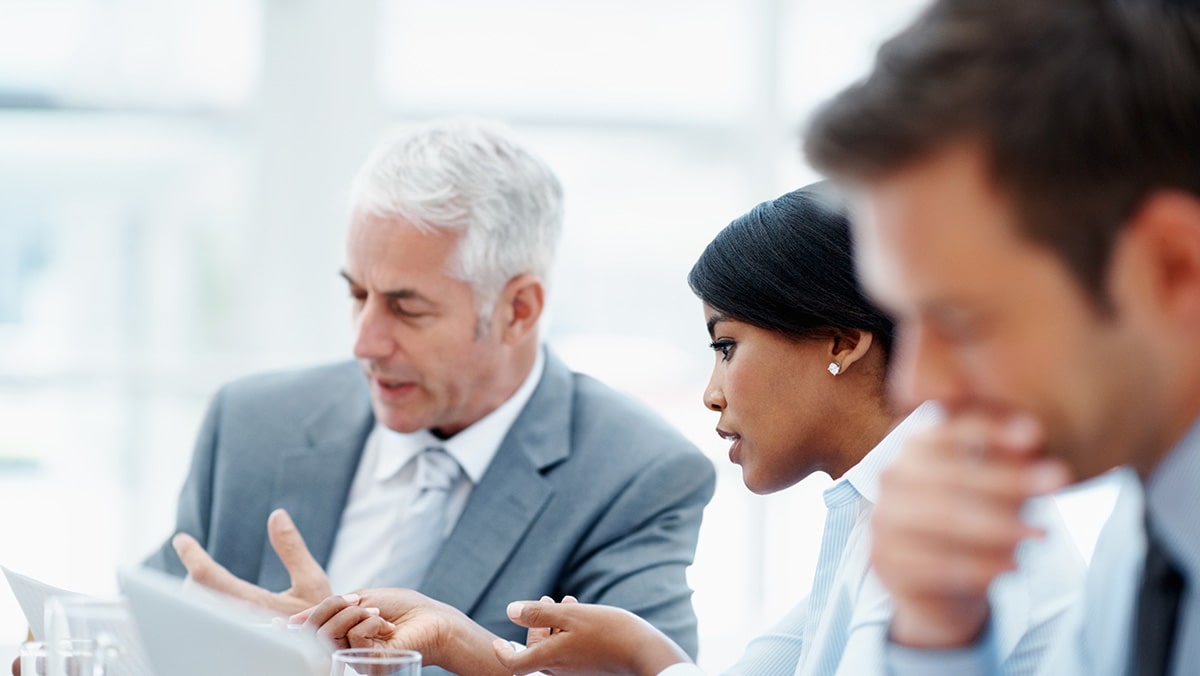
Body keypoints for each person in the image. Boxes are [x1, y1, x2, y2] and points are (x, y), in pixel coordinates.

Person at [307, 185, 1080, 675]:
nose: (712, 394)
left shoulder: (950, 531)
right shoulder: (878, 512)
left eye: (727, 346)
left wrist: (645, 654)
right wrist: (483, 653)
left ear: (843, 341)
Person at [140, 117, 716, 662]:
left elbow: (645, 672)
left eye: (405, 308)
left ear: (518, 309)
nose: (365, 343)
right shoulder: (252, 424)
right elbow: (131, 636)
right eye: (358, 295)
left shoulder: (636, 477)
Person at [798, 0, 1200, 674]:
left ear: (1175, 268)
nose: (916, 384)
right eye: (906, 320)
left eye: (963, 321)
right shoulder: (1143, 535)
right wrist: (938, 635)